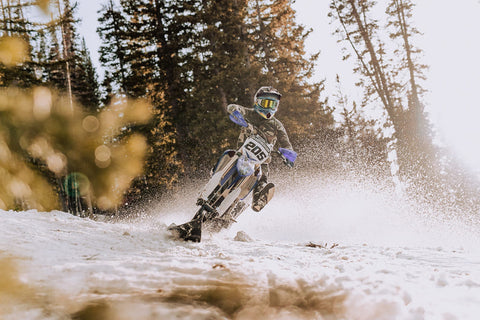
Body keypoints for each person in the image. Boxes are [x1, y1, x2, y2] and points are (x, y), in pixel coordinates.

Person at [226, 86, 294, 212]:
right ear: (257, 102)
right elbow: (234, 107)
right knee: (228, 155)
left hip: (261, 161)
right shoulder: (249, 113)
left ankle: (259, 199)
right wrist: (235, 111)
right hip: (242, 153)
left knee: (262, 177)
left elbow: (286, 143)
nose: (269, 107)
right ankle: (215, 176)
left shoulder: (277, 125)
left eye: (273, 104)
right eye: (266, 103)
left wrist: (289, 155)